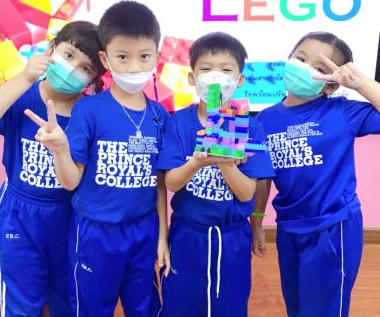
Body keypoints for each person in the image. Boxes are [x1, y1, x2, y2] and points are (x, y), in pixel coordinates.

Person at [25, 0, 171, 317]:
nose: (134, 67)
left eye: (144, 56)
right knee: (91, 308)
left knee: (145, 307)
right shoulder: (88, 110)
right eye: (123, 57)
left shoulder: (160, 116)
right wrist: (60, 149)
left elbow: (160, 183)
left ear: (157, 58)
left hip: (143, 231)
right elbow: (70, 182)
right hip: (95, 234)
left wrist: (162, 236)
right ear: (105, 59)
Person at [0, 21, 106, 316]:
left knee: (69, 297)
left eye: (85, 68)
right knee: (21, 302)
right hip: (20, 215)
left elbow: (79, 179)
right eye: (69, 55)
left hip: (70, 215)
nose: (72, 69)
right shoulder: (22, 95)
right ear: (51, 49)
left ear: (93, 78)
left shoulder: (91, 112)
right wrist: (24, 78)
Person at [254, 31, 380, 317]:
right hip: (289, 228)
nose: (304, 69)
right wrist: (257, 221)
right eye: (300, 59)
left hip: (333, 228)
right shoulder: (264, 120)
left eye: (319, 68)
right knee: (297, 306)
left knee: (325, 310)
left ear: (331, 85)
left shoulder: (342, 112)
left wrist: (360, 83)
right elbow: (263, 177)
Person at [155, 31, 274, 317]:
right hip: (187, 233)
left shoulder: (250, 127)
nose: (216, 78)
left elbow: (246, 193)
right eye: (206, 69)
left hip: (232, 236)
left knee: (229, 304)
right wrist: (197, 162)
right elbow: (171, 183)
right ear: (192, 78)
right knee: (181, 303)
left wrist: (225, 162)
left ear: (239, 80)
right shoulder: (179, 122)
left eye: (226, 70)